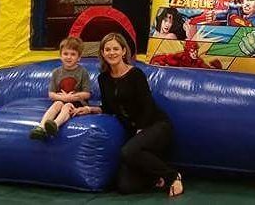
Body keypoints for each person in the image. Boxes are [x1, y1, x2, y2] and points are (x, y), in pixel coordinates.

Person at [79, 32, 183, 197]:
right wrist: (90, 109)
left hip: (155, 125)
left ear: (123, 51)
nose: (111, 53)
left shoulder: (135, 74)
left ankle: (172, 176)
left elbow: (147, 105)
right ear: (102, 53)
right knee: (125, 186)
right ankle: (155, 177)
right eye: (107, 49)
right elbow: (108, 108)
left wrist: (141, 128)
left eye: (115, 49)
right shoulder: (103, 78)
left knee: (128, 151)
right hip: (134, 132)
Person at [30, 36, 91, 140]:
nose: (68, 57)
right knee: (57, 104)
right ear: (61, 56)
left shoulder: (83, 72)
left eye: (73, 54)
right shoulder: (56, 72)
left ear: (79, 57)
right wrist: (63, 98)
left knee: (67, 106)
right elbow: (51, 94)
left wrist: (72, 97)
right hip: (60, 100)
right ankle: (41, 127)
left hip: (76, 103)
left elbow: (87, 94)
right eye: (65, 54)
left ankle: (55, 125)